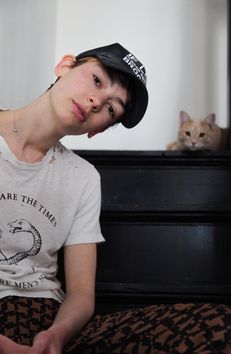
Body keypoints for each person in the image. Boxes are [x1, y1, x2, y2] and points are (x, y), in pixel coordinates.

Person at [0, 43, 148, 354]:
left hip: (46, 317)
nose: (97, 101)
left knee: (222, 327)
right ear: (65, 66)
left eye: (111, 109)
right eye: (97, 80)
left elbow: (81, 294)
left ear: (99, 130)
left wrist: (56, 336)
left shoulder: (83, 177)